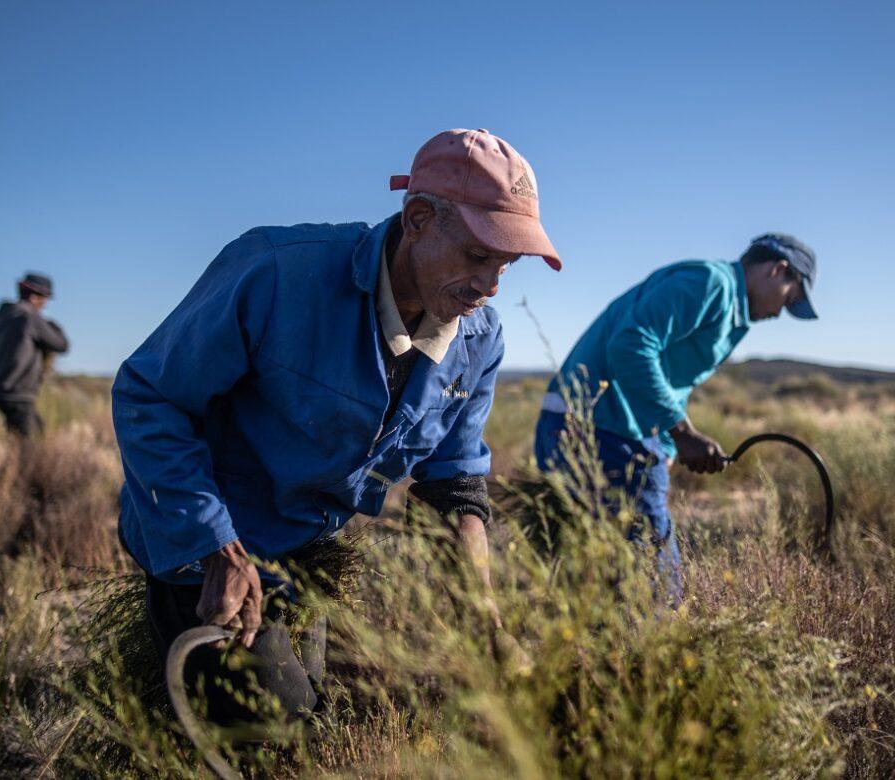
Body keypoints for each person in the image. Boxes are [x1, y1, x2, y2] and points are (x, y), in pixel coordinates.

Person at [113, 129, 560, 718]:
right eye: (479, 256)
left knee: (310, 711)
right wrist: (215, 545)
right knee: (270, 729)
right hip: (210, 546)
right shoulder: (276, 274)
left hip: (310, 550)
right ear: (419, 218)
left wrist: (484, 617)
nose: (490, 286)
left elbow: (454, 480)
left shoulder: (479, 338)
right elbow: (150, 395)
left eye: (507, 265)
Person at [534, 234, 819, 600]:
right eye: (789, 298)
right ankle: (643, 655)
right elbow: (631, 344)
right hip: (599, 430)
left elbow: (670, 376)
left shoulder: (729, 307)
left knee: (588, 579)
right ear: (778, 269)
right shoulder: (710, 284)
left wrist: (666, 444)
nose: (781, 311)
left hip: (602, 427)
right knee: (651, 586)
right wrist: (681, 431)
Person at [0, 272, 69, 436]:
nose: (44, 305)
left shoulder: (3, 316)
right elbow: (61, 344)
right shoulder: (31, 319)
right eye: (44, 298)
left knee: (19, 434)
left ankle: (12, 458)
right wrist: (51, 325)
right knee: (33, 442)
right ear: (34, 296)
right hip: (18, 391)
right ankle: (24, 462)